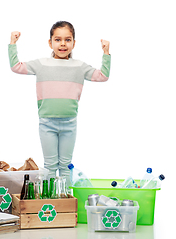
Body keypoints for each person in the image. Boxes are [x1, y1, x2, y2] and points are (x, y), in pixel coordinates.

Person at [8, 21, 111, 186]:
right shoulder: (41, 64)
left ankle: (66, 199)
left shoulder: (79, 66)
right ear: (50, 43)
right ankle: (50, 200)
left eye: (68, 40)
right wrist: (13, 43)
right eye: (58, 39)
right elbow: (16, 67)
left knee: (65, 165)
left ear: (74, 43)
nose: (63, 44)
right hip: (47, 123)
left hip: (69, 124)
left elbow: (102, 76)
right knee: (50, 165)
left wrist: (106, 54)